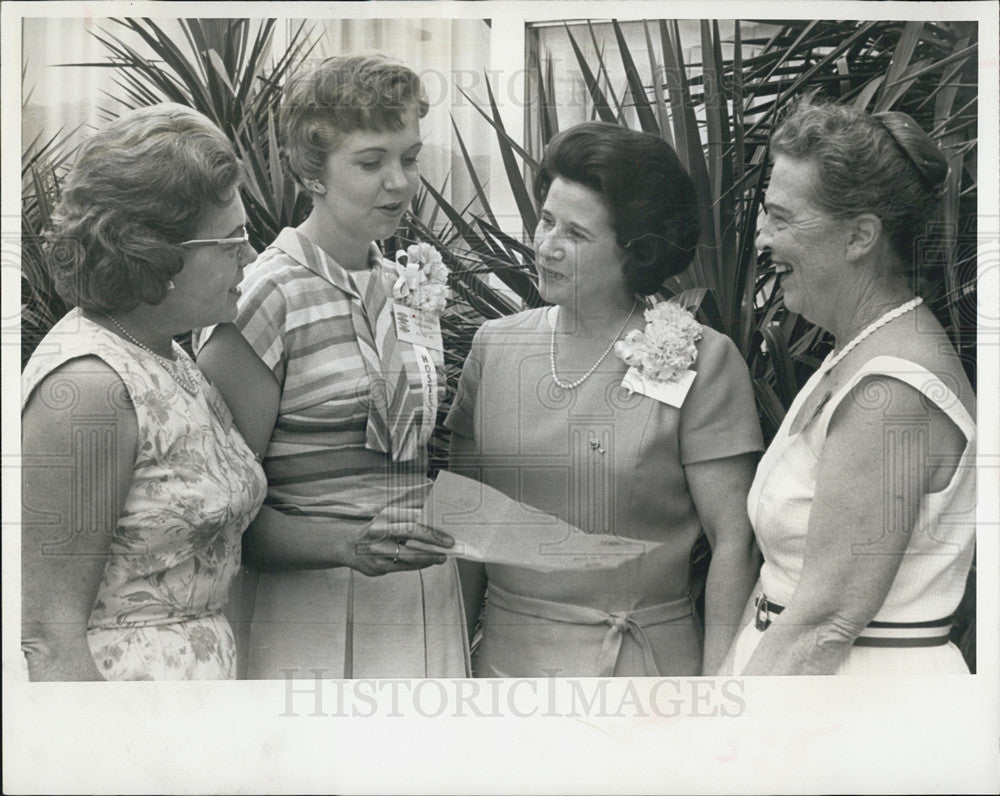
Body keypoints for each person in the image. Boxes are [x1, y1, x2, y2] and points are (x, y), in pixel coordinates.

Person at [446, 122, 764, 677]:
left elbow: (733, 540)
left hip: (641, 674)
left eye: (576, 233)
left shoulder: (698, 359)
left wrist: (717, 695)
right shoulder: (494, 347)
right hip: (504, 670)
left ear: (634, 252)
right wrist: (449, 668)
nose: (546, 246)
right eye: (545, 220)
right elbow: (467, 530)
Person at [197, 55, 468, 679]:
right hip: (308, 613)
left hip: (419, 597)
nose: (399, 183)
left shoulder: (407, 285)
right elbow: (221, 510)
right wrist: (349, 544)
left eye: (410, 157)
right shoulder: (264, 296)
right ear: (312, 172)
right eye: (371, 163)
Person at [724, 101, 976, 675]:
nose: (762, 237)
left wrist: (727, 746)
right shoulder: (858, 348)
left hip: (856, 706)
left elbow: (824, 626)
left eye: (782, 218)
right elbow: (779, 586)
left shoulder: (892, 391)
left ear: (860, 235)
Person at [21, 103, 266, 680]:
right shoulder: (89, 389)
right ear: (155, 251)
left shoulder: (164, 350)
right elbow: (46, 636)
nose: (250, 257)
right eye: (231, 241)